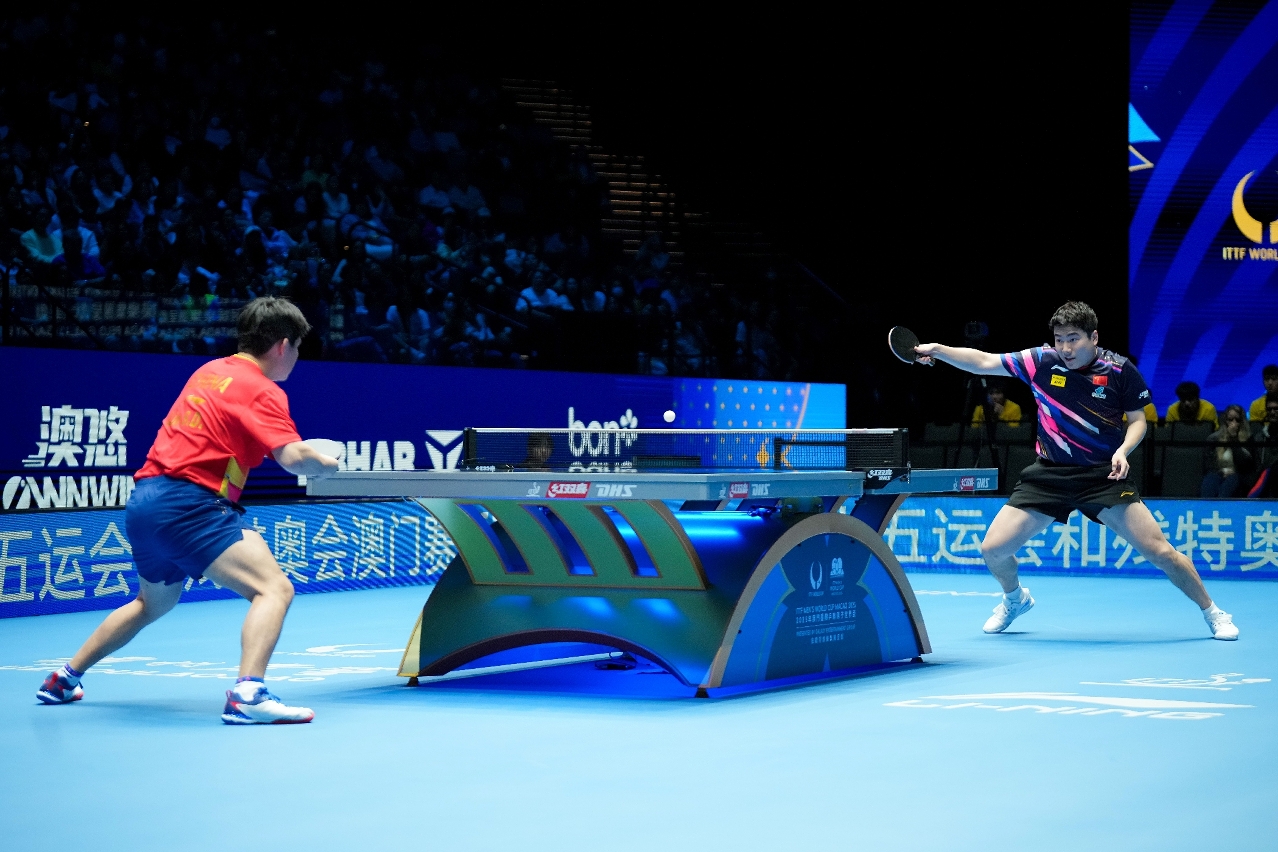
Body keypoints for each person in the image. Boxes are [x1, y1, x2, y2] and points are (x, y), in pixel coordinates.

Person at [36, 297, 341, 722]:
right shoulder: (263, 389)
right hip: (190, 506)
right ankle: (248, 695)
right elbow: (292, 458)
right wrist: (328, 464)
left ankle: (64, 679)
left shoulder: (210, 371)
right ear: (283, 345)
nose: (296, 358)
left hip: (145, 502)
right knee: (274, 589)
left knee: (152, 604)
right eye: (298, 348)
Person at [913, 301, 1238, 640]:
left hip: (1102, 476)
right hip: (1049, 475)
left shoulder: (1119, 370)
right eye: (1059, 339)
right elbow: (983, 361)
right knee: (992, 550)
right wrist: (939, 350)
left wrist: (1123, 450)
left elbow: (1138, 421)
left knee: (1160, 552)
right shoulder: (1041, 361)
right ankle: (1015, 599)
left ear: (1093, 337)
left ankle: (1214, 612)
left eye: (1073, 339)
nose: (1065, 348)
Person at [1201, 405, 1252, 498]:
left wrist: (1233, 439)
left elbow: (1245, 465)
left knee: (1232, 481)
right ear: (1225, 420)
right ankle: (1206, 505)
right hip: (1218, 473)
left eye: (1237, 420)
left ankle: (1223, 505)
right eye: (1230, 419)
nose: (1234, 423)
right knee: (1210, 479)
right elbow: (1208, 464)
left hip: (1238, 475)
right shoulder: (1213, 438)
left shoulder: (1249, 439)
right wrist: (1221, 472)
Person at [1248, 392, 1278, 497]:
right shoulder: (1259, 438)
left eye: (1276, 409)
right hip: (1264, 485)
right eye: (1269, 409)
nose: (1272, 412)